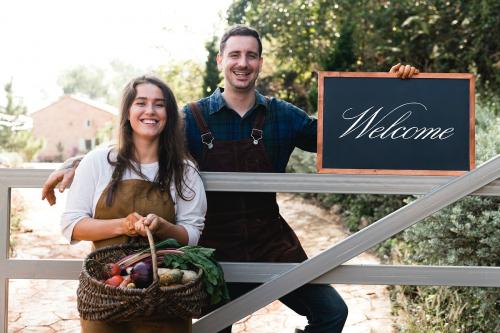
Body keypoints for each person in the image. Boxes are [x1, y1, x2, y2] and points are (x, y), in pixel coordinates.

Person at [44, 25, 418, 333]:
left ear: (260, 63)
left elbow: (342, 137)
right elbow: (138, 136)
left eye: (251, 55)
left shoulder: (284, 116)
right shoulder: (188, 119)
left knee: (332, 312)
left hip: (272, 242)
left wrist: (388, 93)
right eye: (234, 55)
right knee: (212, 327)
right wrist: (77, 162)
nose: (243, 63)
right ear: (220, 60)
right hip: (214, 248)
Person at [60, 75, 206, 333]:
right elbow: (72, 226)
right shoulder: (97, 163)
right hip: (106, 293)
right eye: (141, 103)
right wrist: (123, 226)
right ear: (127, 112)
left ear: (169, 115)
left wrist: (164, 227)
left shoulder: (185, 171)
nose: (150, 111)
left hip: (165, 297)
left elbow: (191, 235)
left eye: (159, 105)